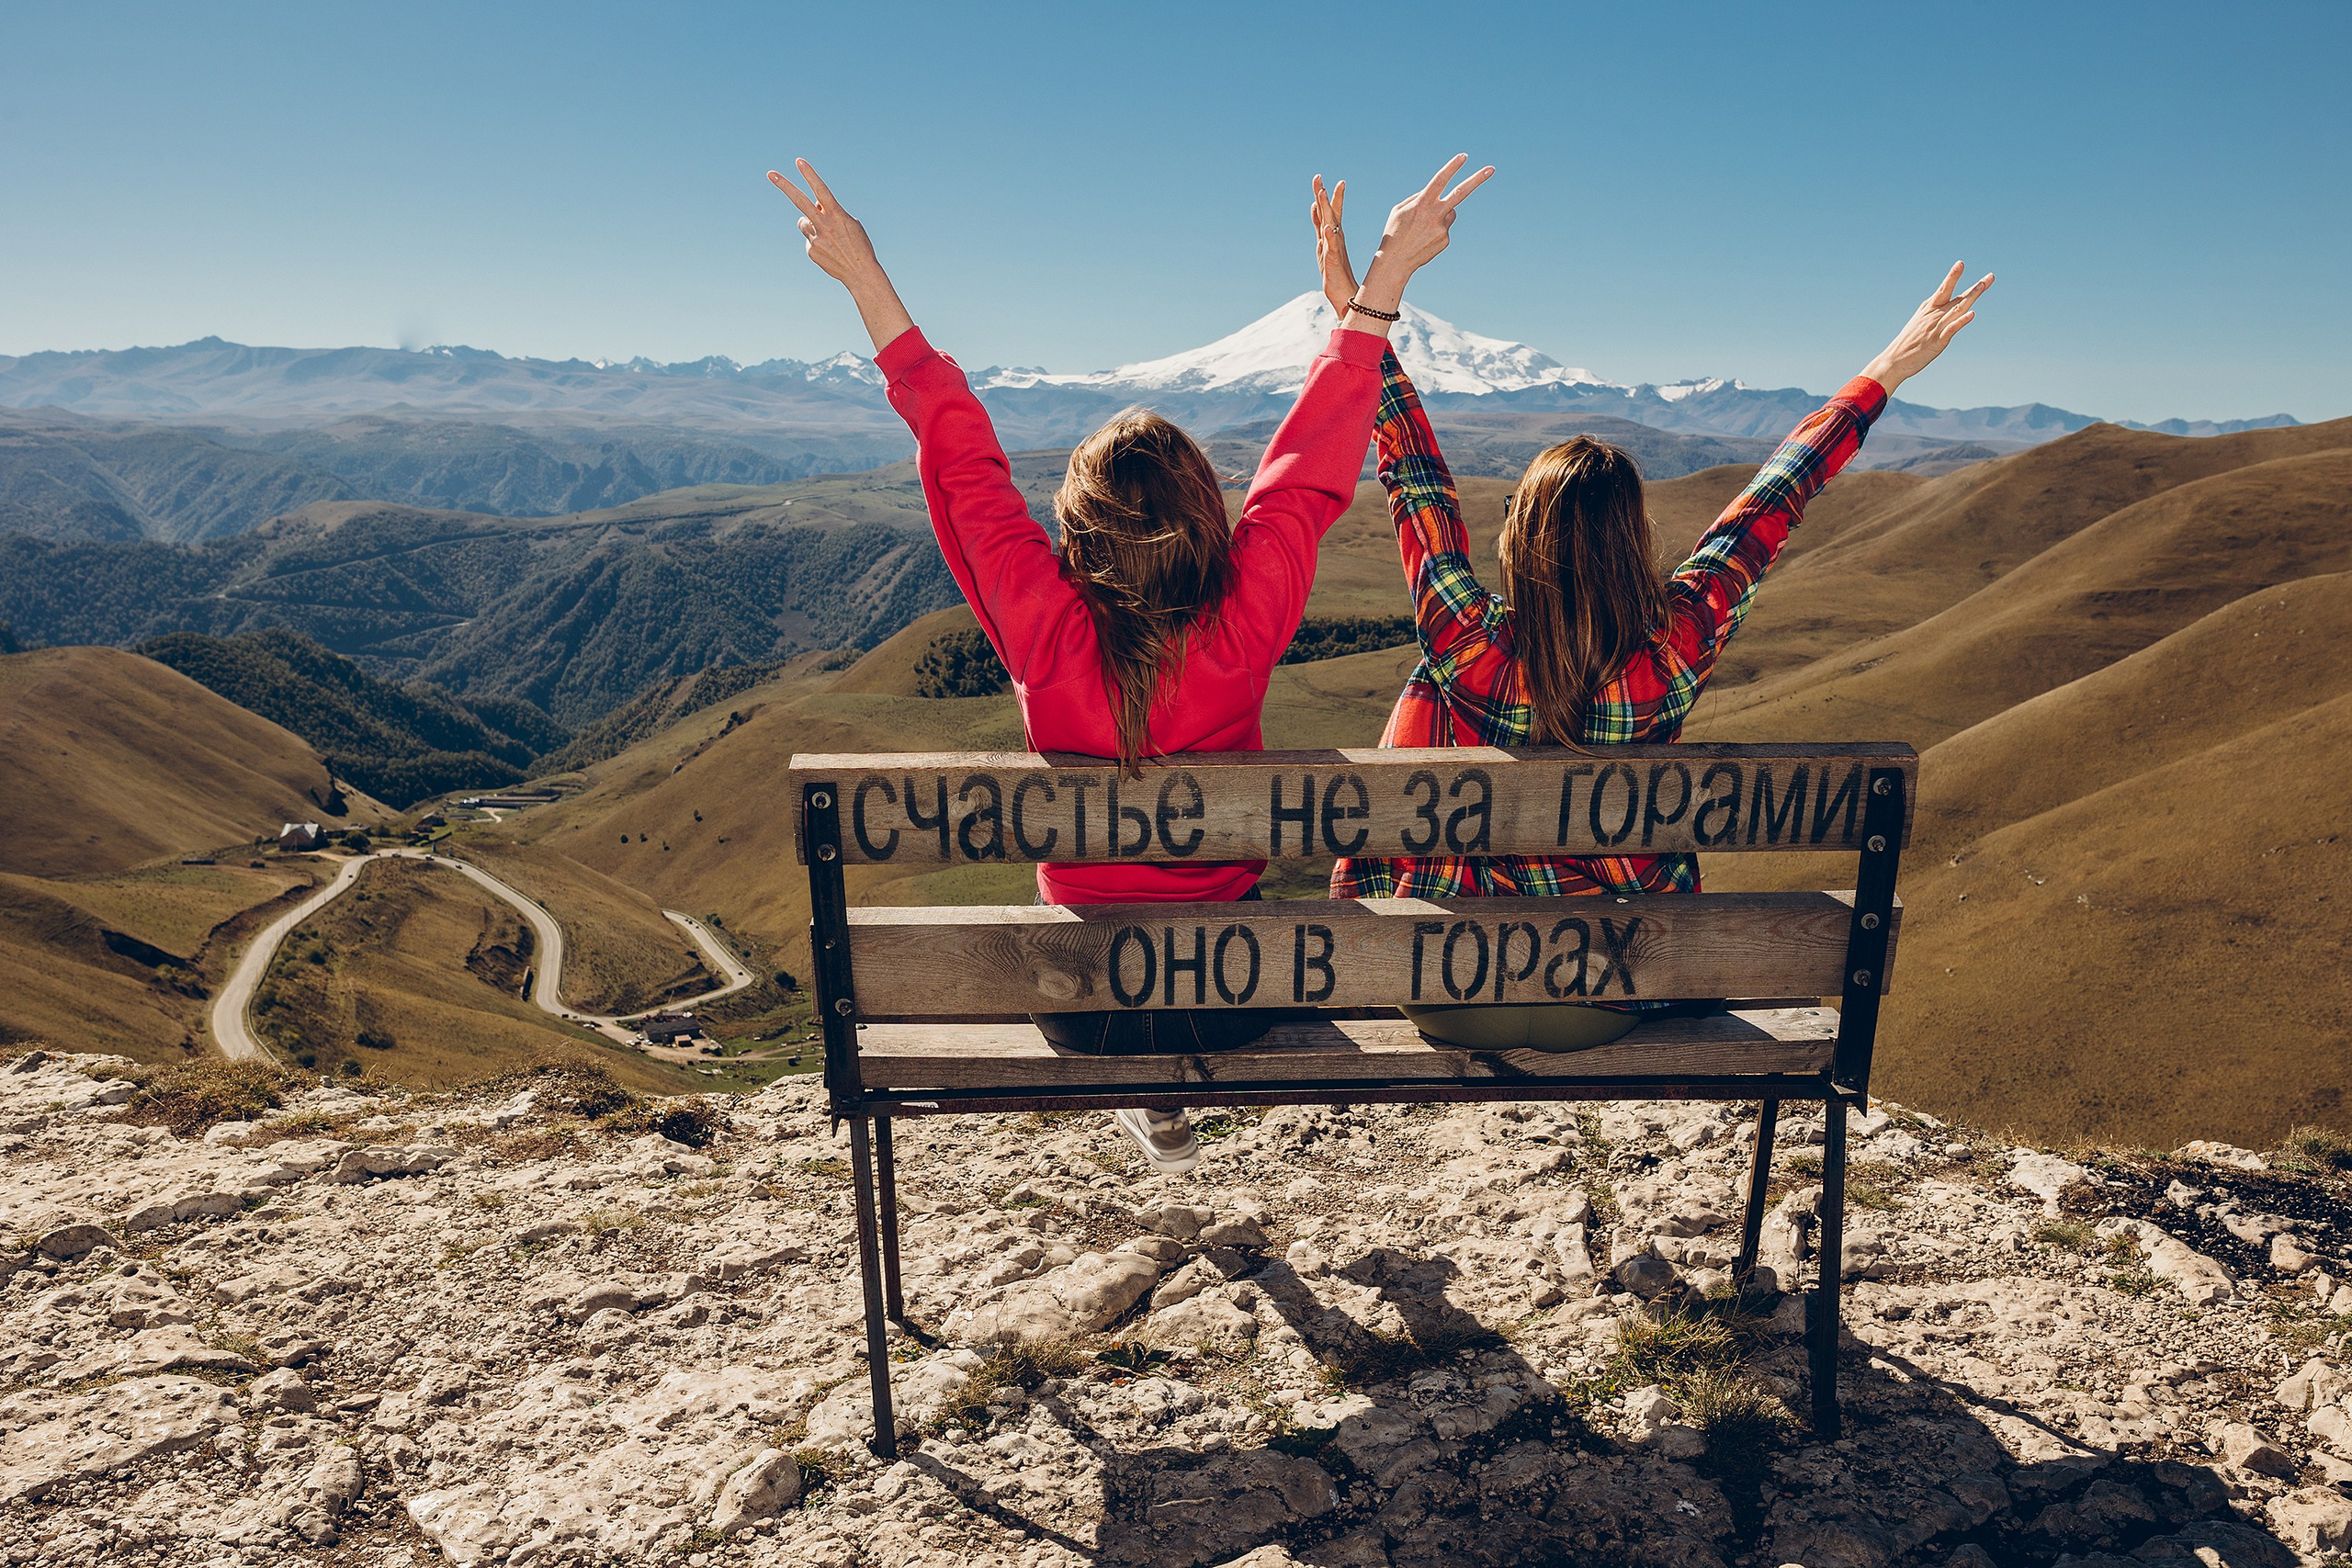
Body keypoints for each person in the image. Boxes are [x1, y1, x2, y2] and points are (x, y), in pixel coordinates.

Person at [770, 155, 1493, 1168]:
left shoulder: (1044, 623)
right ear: (1205, 509)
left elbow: (962, 462)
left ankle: (1145, 1095)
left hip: (1082, 1004)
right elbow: (1302, 478)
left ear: (1077, 522)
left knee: (1080, 943)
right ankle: (1170, 1090)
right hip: (1229, 994)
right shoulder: (1244, 614)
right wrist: (1377, 289)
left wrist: (867, 281)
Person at [1308, 175, 1991, 1050]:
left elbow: (1416, 482)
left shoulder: (1468, 644)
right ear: (1633, 541)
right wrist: (1885, 370)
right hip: (1610, 993)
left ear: (1520, 536)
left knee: (1429, 681)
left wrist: (1368, 311)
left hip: (1448, 988)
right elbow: (1771, 501)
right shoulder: (1673, 649)